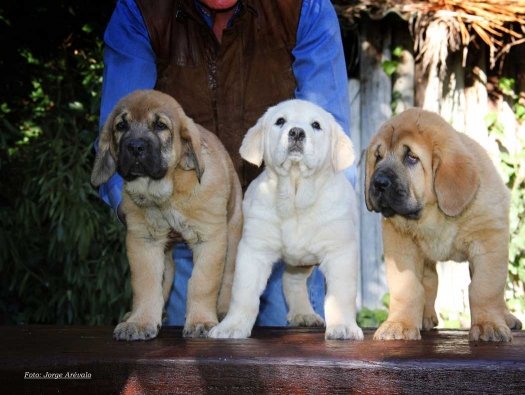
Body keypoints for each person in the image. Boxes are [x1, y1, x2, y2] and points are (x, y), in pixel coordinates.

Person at [97, 0, 355, 327]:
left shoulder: (305, 7)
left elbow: (330, 134)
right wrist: (139, 212)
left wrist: (328, 224)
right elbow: (118, 133)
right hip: (186, 228)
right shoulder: (142, 9)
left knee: (292, 368)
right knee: (187, 364)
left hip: (287, 224)